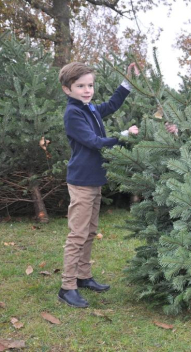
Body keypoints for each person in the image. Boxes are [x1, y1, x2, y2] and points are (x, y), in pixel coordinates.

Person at [57, 62, 139, 308]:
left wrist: (127, 81)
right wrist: (122, 136)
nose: (86, 90)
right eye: (80, 86)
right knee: (78, 234)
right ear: (67, 89)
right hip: (81, 181)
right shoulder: (74, 113)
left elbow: (112, 104)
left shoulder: (89, 108)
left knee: (90, 231)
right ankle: (67, 286)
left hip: (94, 180)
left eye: (90, 85)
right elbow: (93, 142)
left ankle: (83, 276)